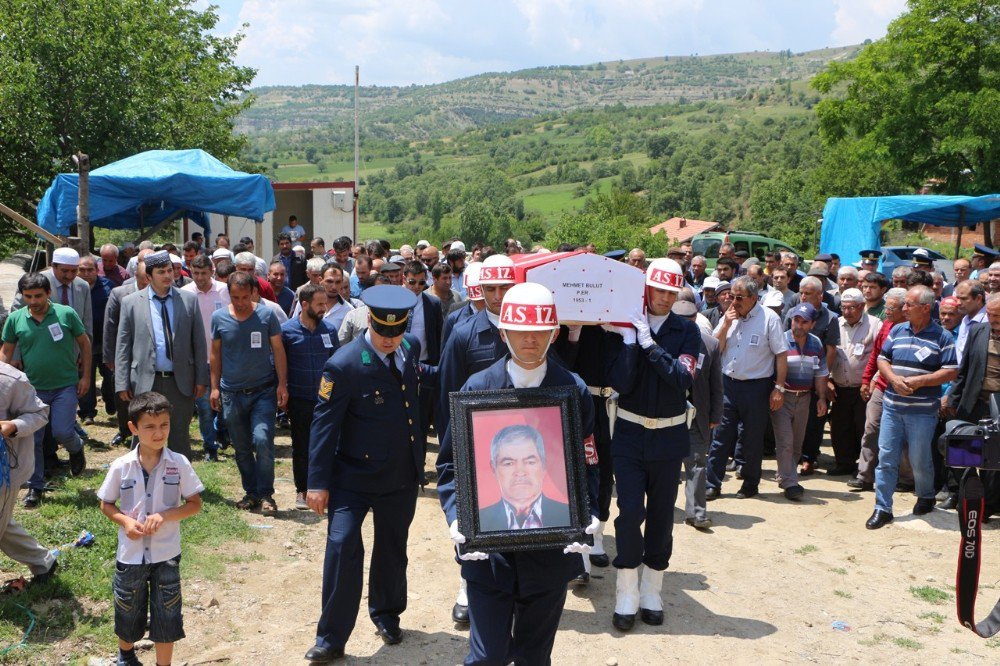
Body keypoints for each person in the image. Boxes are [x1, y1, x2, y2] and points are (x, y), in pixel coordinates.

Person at [437, 282, 598, 665]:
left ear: (554, 333)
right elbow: (449, 464)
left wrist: (587, 513)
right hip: (489, 555)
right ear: (503, 332)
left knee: (533, 656)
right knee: (488, 655)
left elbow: (588, 459)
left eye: (540, 331)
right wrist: (457, 513)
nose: (530, 340)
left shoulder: (572, 390)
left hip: (550, 551)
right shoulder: (478, 389)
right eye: (520, 331)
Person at [303, 286, 424, 663]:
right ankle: (331, 637)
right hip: (352, 477)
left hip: (398, 475)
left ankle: (387, 615)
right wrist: (317, 482)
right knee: (342, 549)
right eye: (383, 332)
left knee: (392, 549)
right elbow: (324, 426)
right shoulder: (344, 364)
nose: (390, 340)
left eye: (396, 331)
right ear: (369, 322)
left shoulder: (410, 348)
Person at [603, 258, 700, 631]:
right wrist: (630, 341)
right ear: (646, 289)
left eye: (670, 291)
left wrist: (648, 344)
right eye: (658, 290)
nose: (663, 297)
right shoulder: (623, 330)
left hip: (669, 436)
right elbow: (622, 384)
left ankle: (651, 590)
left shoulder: (686, 332)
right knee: (629, 513)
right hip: (628, 434)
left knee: (662, 515)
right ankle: (626, 590)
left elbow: (682, 379)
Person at [98, 392, 203, 666]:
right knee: (127, 609)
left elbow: (194, 504)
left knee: (167, 613)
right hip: (130, 555)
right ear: (133, 428)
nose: (159, 433)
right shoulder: (121, 466)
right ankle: (126, 655)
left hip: (166, 554)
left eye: (164, 425)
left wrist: (166, 515)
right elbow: (106, 504)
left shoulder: (179, 463)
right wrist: (125, 521)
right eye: (150, 426)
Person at [866, 285, 958, 529]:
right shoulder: (897, 330)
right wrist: (894, 379)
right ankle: (882, 507)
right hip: (893, 407)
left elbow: (951, 370)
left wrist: (920, 381)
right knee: (886, 457)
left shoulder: (943, 336)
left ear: (925, 308)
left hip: (922, 411)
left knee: (919, 459)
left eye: (909, 304)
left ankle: (926, 495)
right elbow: (882, 359)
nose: (903, 308)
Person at [1, 272, 90, 507]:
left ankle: (76, 447)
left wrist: (86, 376)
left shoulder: (65, 314)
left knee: (62, 430)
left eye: (38, 296)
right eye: (28, 296)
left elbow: (84, 343)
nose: (33, 301)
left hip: (65, 385)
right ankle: (35, 487)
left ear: (48, 293)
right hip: (32, 390)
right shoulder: (16, 319)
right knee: (34, 440)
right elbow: (6, 352)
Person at [115, 251, 208, 460]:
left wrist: (202, 378)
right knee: (143, 435)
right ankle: (141, 482)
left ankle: (181, 485)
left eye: (169, 271)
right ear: (148, 276)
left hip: (180, 381)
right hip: (146, 381)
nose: (168, 276)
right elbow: (123, 345)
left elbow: (199, 343)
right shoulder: (131, 302)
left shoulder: (189, 300)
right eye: (161, 272)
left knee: (179, 436)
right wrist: (122, 382)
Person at [210, 272, 289, 513]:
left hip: (262, 391)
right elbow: (215, 355)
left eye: (245, 297)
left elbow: (278, 350)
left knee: (263, 439)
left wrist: (282, 384)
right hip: (231, 393)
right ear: (229, 294)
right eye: (236, 297)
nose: (241, 302)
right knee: (241, 446)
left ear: (254, 293)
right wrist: (214, 387)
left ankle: (266, 494)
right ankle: (251, 493)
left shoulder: (267, 315)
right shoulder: (218, 318)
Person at [706, 276, 788, 501]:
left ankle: (751, 484)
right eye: (730, 296)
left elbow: (781, 355)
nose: (733, 301)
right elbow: (716, 349)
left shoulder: (769, 319)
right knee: (720, 437)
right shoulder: (728, 317)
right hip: (728, 386)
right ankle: (712, 483)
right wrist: (725, 325)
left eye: (738, 297)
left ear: (754, 297)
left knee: (751, 439)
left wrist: (778, 388)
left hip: (757, 387)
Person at [280, 284, 337, 511]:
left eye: (325, 303)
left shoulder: (330, 330)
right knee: (302, 445)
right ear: (305, 305)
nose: (324, 308)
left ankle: (326, 488)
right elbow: (279, 364)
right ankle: (302, 490)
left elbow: (336, 364)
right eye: (320, 304)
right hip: (300, 399)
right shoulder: (286, 331)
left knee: (327, 445)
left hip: (326, 400)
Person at [0, 363, 58, 583]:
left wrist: (13, 426)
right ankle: (43, 561)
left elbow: (40, 412)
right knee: (2, 523)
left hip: (4, 470)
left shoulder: (11, 380)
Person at [945, 293, 1000, 516]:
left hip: (999, 407)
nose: (993, 320)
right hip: (974, 402)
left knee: (994, 459)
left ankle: (989, 505)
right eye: (991, 315)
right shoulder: (978, 330)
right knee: (963, 451)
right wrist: (953, 399)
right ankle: (961, 496)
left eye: (998, 317)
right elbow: (963, 369)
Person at [771, 303, 829, 501]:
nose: (799, 325)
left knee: (797, 443)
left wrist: (821, 398)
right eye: (797, 320)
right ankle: (790, 483)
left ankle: (784, 474)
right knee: (785, 441)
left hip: (804, 398)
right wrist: (775, 391)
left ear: (812, 324)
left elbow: (821, 372)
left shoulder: (817, 344)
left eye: (805, 322)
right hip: (782, 397)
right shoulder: (780, 340)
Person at [672, 299, 722, 529]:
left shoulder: (710, 344)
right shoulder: (661, 342)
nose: (686, 325)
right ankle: (663, 508)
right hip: (667, 414)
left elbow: (716, 385)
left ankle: (697, 513)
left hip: (697, 415)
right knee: (667, 465)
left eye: (691, 320)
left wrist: (715, 416)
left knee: (697, 464)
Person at [181, 254, 230, 461]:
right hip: (198, 360)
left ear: (212, 271)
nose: (200, 277)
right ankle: (210, 445)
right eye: (196, 273)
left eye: (204, 273)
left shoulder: (224, 291)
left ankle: (224, 434)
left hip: (224, 357)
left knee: (225, 403)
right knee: (203, 407)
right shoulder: (184, 294)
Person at [828, 288, 880, 478]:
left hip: (863, 388)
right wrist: (827, 380)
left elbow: (881, 356)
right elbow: (829, 353)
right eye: (844, 307)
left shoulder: (875, 325)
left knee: (863, 427)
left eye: (852, 308)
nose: (847, 312)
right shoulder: (836, 323)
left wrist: (872, 382)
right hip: (839, 386)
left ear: (862, 307)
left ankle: (864, 468)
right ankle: (844, 463)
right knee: (840, 427)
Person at [477, 425, 571, 530]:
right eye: (508, 463)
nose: (520, 472)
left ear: (544, 465)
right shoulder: (478, 523)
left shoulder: (570, 516)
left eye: (530, 462)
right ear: (494, 468)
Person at [77, 255, 115, 425]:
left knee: (110, 377)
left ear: (96, 270)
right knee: (86, 377)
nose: (86, 273)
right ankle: (87, 412)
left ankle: (111, 402)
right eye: (82, 270)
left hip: (106, 341)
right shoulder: (74, 288)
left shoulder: (109, 286)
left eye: (89, 269)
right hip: (83, 341)